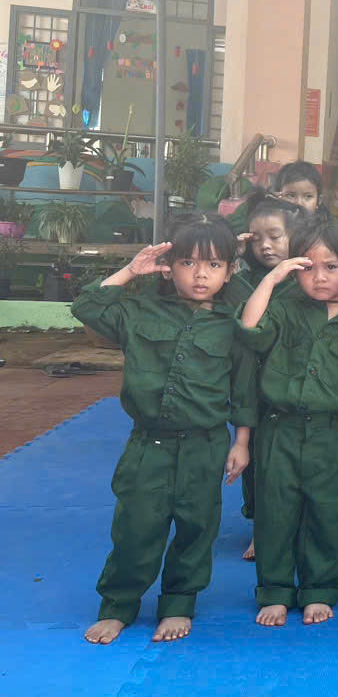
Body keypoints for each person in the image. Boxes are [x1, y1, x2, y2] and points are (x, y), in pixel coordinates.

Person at [71, 214, 257, 646]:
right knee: (135, 527)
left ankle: (179, 602)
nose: (200, 274)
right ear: (169, 268)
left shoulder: (234, 323)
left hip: (205, 444)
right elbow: (87, 307)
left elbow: (245, 388)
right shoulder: (140, 312)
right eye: (188, 263)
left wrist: (242, 442)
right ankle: (117, 606)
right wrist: (131, 270)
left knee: (197, 528)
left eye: (214, 265)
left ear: (230, 271)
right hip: (148, 444)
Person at [236, 220, 338, 628]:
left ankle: (320, 589)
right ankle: (275, 591)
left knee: (331, 514)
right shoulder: (282, 310)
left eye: (332, 267)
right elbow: (248, 328)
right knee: (274, 513)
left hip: (335, 432)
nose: (320, 277)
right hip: (279, 429)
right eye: (308, 267)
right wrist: (273, 278)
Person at [233, 191, 304, 562]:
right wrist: (233, 250)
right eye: (256, 238)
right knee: (256, 464)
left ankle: (297, 525)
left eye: (275, 236)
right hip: (254, 389)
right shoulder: (242, 281)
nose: (265, 245)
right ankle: (260, 528)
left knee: (293, 465)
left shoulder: (305, 279)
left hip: (294, 389)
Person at [227, 160, 330, 235]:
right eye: (291, 195)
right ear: (278, 196)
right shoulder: (263, 215)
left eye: (308, 196)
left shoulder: (324, 229)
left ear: (318, 201)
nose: (299, 203)